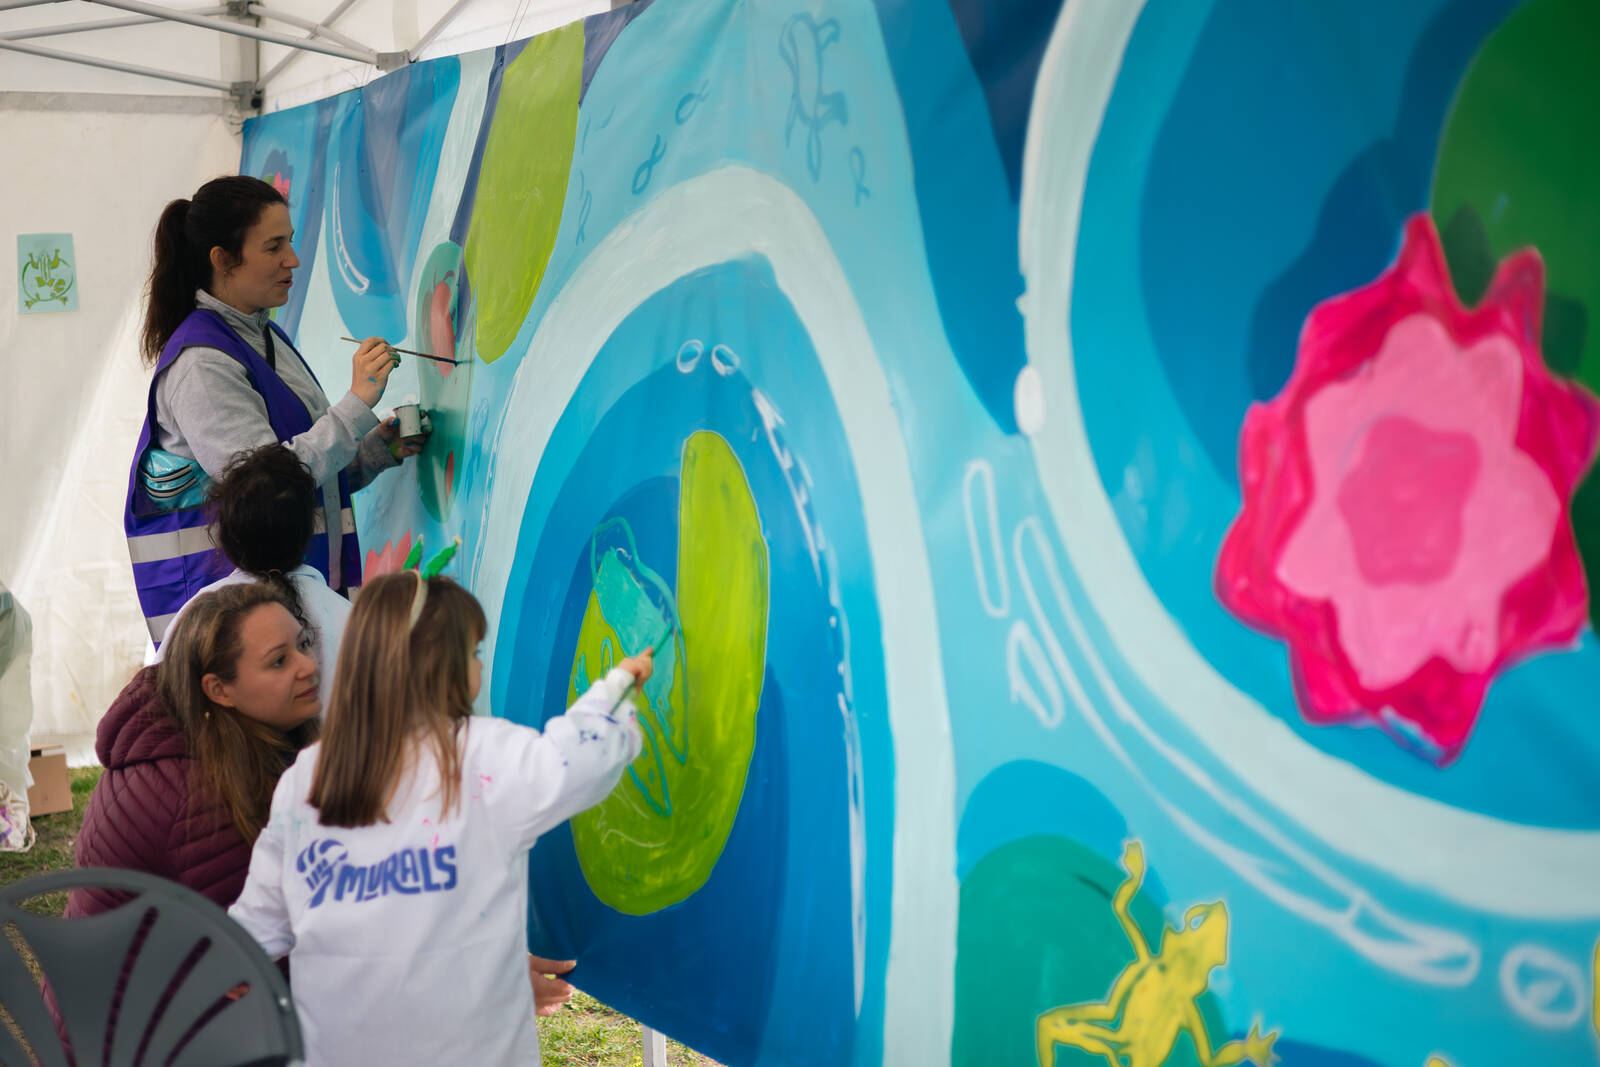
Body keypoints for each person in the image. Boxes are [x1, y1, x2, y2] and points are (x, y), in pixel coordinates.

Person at [229, 574, 652, 1065]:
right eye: (473, 653)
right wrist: (614, 693)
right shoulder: (479, 756)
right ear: (437, 664)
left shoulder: (307, 777)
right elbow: (572, 762)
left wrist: (224, 971)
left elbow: (258, 923)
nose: (480, 666)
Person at [125, 174, 426, 647]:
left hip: (284, 608)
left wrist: (374, 452)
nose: (293, 259)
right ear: (223, 259)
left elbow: (304, 478)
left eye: (290, 240)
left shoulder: (261, 333)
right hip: (236, 630)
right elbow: (264, 492)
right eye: (273, 246)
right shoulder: (201, 364)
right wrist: (357, 404)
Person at [69, 582, 319, 918]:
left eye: (304, 644)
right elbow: (254, 934)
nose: (309, 667)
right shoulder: (204, 796)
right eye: (278, 662)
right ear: (219, 690)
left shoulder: (219, 738)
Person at [156, 444, 351, 714]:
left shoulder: (197, 616)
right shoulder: (350, 617)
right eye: (278, 661)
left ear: (227, 535)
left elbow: (160, 706)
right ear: (308, 529)